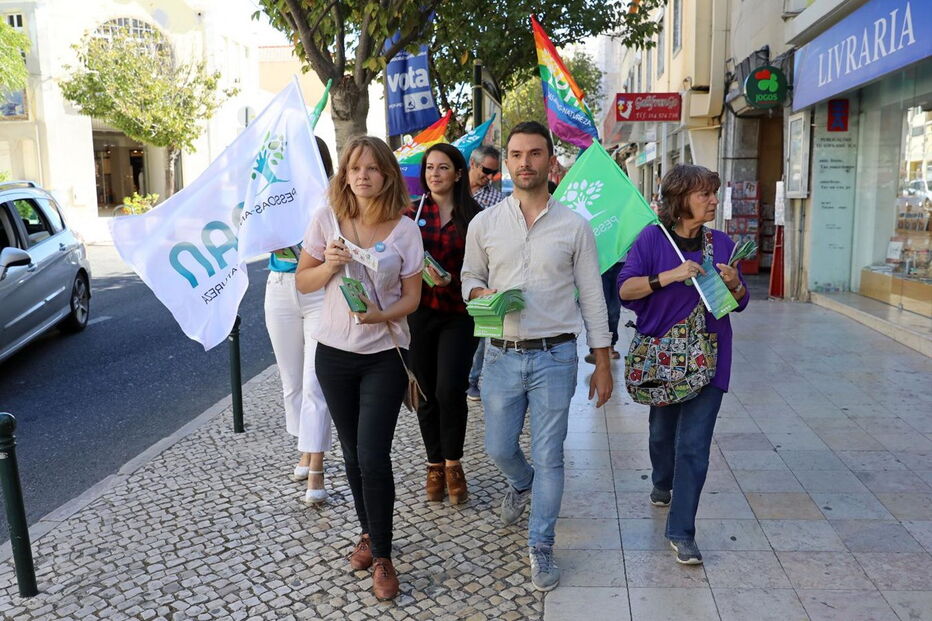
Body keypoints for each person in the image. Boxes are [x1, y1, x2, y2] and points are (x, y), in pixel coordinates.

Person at [461, 121, 613, 591]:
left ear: (550, 159)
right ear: (506, 162)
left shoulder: (574, 226)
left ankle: (541, 544)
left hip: (555, 356)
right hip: (500, 356)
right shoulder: (484, 224)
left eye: (534, 153)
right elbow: (468, 277)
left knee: (550, 455)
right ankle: (522, 482)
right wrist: (480, 292)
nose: (524, 162)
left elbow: (593, 296)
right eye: (516, 154)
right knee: (497, 447)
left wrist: (602, 362)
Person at [296, 136, 424, 600]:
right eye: (354, 168)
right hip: (333, 354)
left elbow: (413, 298)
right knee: (351, 454)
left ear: (387, 175)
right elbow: (303, 281)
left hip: (385, 354)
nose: (362, 176)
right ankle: (367, 533)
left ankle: (384, 556)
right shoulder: (326, 219)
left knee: (373, 455)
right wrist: (329, 265)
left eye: (372, 168)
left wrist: (379, 315)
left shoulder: (405, 230)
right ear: (345, 175)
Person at [617, 164, 749, 566]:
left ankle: (682, 531)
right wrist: (669, 276)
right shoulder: (652, 239)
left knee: (694, 446)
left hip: (710, 359)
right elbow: (625, 289)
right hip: (662, 358)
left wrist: (734, 284)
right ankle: (662, 482)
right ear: (679, 199)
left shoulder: (721, 244)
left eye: (713, 192)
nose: (713, 200)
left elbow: (739, 302)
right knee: (662, 435)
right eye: (703, 194)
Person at [406, 143, 482, 505]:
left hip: (459, 314)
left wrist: (453, 279)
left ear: (458, 173)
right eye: (429, 168)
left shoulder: (475, 217)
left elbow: (485, 266)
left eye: (443, 167)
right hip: (419, 312)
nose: (434, 174)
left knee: (450, 389)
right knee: (425, 392)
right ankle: (434, 464)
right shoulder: (411, 213)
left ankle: (453, 463)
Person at [264, 136, 334, 505]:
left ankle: (317, 465)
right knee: (291, 383)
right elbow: (255, 233)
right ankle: (305, 449)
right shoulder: (273, 194)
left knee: (314, 382)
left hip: (320, 289)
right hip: (279, 287)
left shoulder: (333, 197)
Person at [465, 145, 505, 401]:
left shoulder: (497, 199)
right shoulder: (455, 192)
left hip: (483, 272)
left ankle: (472, 379)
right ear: (473, 164)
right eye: (486, 170)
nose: (489, 177)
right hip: (451, 270)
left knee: (479, 330)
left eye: (494, 172)